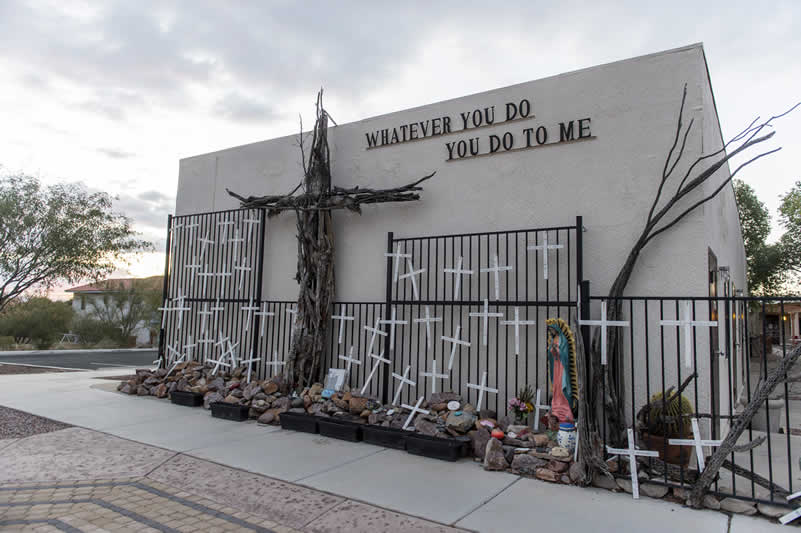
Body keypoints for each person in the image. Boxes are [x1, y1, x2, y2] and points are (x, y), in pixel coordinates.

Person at [547, 323, 575, 423]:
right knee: (556, 387)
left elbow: (565, 354)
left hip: (562, 367)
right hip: (556, 366)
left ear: (556, 329)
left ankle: (564, 407)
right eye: (549, 330)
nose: (551, 332)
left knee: (563, 386)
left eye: (552, 329)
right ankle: (556, 407)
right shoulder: (553, 340)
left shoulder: (563, 340)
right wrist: (553, 350)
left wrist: (557, 350)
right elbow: (551, 353)